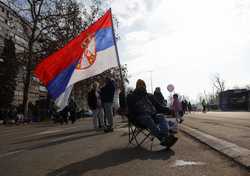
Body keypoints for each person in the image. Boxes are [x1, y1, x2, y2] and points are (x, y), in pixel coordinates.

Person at [127, 79, 178, 148]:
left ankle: (166, 137)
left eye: (143, 85)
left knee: (161, 116)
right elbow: (130, 109)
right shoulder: (131, 96)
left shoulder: (149, 96)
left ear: (145, 86)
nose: (142, 87)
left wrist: (169, 110)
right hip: (140, 118)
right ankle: (162, 138)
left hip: (153, 116)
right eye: (140, 85)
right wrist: (130, 117)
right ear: (136, 86)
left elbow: (159, 107)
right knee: (147, 118)